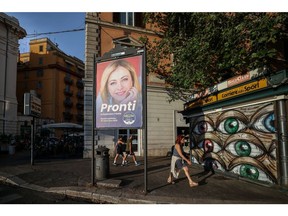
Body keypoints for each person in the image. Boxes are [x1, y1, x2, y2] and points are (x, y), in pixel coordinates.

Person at [96, 58, 142, 128]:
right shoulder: (100, 103)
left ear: (132, 80)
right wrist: (123, 107)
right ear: (107, 87)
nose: (120, 87)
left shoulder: (142, 101)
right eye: (113, 83)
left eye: (124, 79)